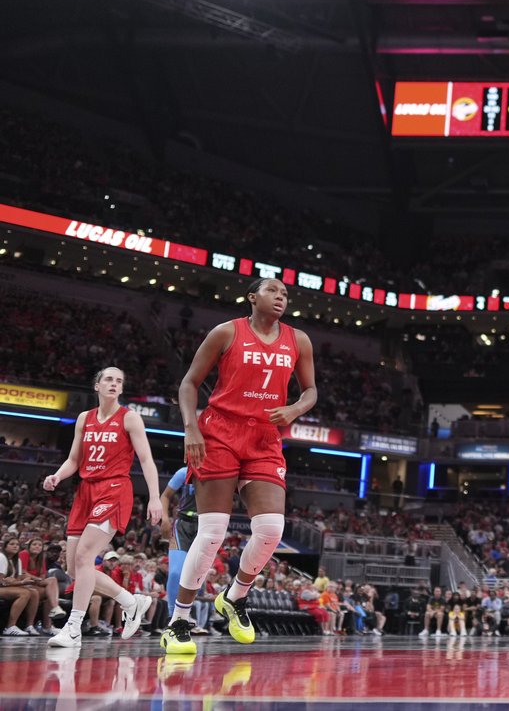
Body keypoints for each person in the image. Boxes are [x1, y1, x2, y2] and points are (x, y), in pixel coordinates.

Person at [163, 277, 318, 656]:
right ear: (252, 297)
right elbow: (189, 383)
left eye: (285, 294)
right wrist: (191, 429)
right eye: (272, 291)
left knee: (271, 528)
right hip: (219, 434)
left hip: (264, 437)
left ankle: (235, 597)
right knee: (212, 531)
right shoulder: (226, 332)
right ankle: (178, 621)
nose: (280, 297)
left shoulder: (298, 340)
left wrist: (296, 408)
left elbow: (311, 390)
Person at [42, 367, 161, 647]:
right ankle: (131, 602)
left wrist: (154, 497)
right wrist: (58, 476)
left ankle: (73, 628)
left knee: (85, 556)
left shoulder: (129, 418)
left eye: (119, 381)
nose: (114, 383)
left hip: (114, 489)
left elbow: (146, 460)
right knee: (75, 568)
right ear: (97, 386)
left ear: (121, 389)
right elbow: (74, 459)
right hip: (85, 491)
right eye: (108, 379)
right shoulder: (84, 418)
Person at [158, 466, 198, 616]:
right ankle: (172, 616)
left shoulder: (222, 471)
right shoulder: (184, 472)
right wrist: (165, 518)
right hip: (182, 524)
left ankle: (186, 615)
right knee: (175, 573)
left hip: (206, 527)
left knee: (195, 576)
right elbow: (165, 496)